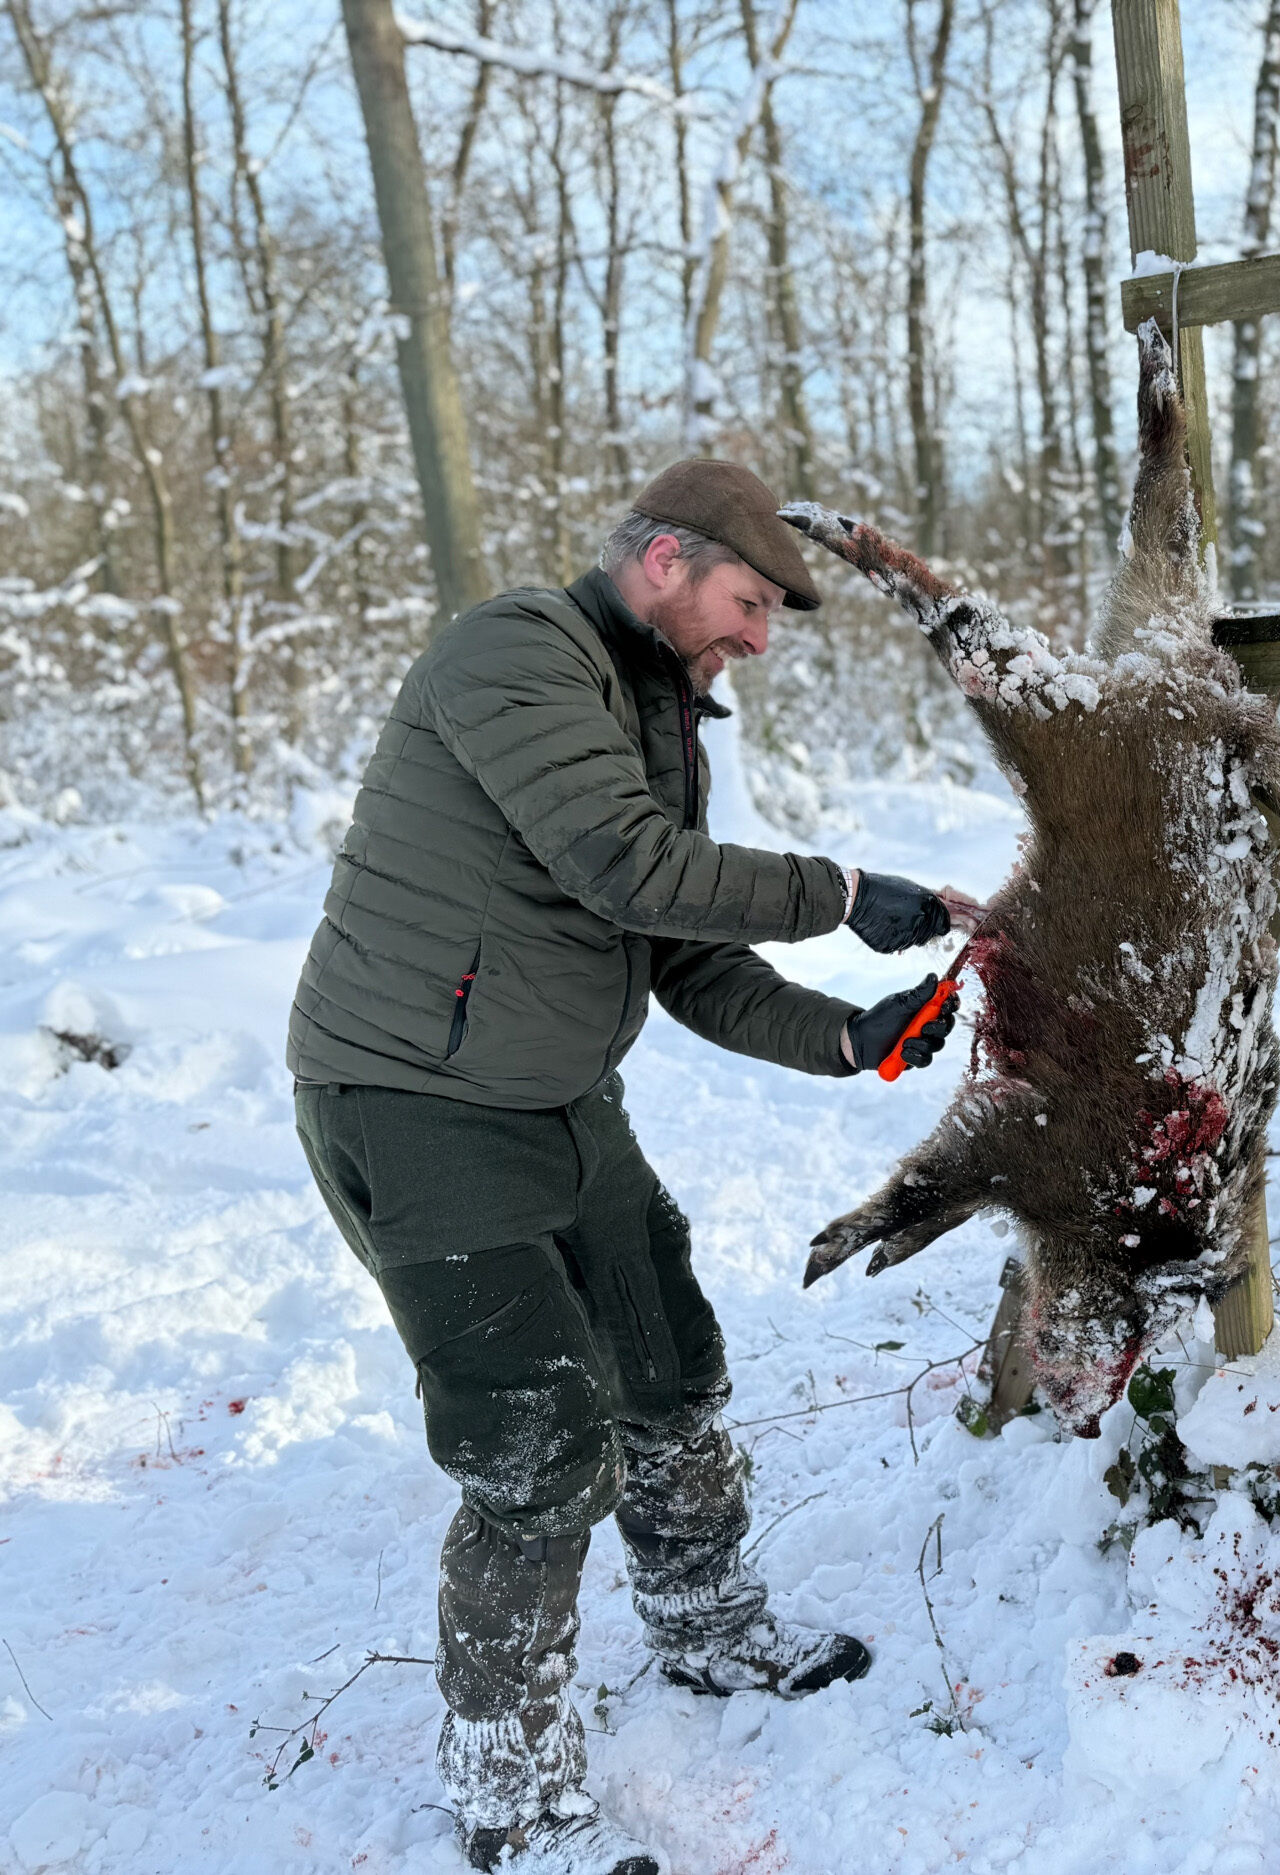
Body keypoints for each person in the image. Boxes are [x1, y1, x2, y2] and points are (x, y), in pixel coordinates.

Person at [287, 461, 957, 1875]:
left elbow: (684, 951)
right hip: (412, 1105)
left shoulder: (659, 716)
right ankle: (517, 1807)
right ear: (664, 559)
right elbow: (622, 865)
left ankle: (708, 1628)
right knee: (536, 1452)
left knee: (668, 1360)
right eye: (751, 599)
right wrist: (840, 892)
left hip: (557, 1099)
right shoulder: (516, 652)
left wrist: (851, 1036)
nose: (762, 637)